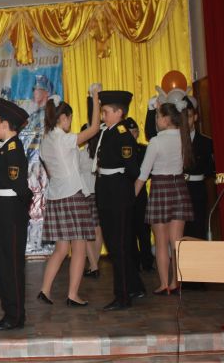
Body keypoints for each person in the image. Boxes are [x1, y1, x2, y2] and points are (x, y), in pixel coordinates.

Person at [37, 87, 100, 307]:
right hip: (73, 194)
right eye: (70, 118)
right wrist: (95, 98)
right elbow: (94, 128)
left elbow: (50, 172)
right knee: (79, 247)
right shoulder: (63, 139)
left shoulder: (45, 141)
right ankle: (73, 294)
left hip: (56, 197)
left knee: (61, 249)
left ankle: (45, 290)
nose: (70, 123)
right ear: (63, 117)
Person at [135, 101, 194, 295]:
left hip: (160, 188)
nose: (156, 120)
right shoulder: (184, 137)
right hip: (179, 188)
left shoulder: (156, 141)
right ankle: (176, 282)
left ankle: (164, 284)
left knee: (161, 241)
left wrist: (131, 196)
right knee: (177, 241)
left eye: (158, 116)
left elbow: (143, 173)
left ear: (167, 119)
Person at [95, 90, 145, 311]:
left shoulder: (123, 134)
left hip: (117, 195)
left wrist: (119, 183)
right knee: (115, 243)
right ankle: (134, 286)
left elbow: (133, 169)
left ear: (118, 112)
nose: (103, 115)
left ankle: (123, 295)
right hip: (107, 192)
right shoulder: (109, 132)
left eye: (106, 112)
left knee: (119, 247)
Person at [0, 98, 33, 330]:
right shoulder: (4, 145)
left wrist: (19, 211)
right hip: (3, 211)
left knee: (11, 265)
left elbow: (20, 187)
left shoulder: (13, 149)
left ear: (5, 125)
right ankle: (10, 312)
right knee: (1, 263)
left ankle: (15, 316)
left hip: (11, 213)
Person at [124, 117, 154, 272]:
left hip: (141, 194)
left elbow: (149, 170)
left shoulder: (143, 149)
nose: (133, 134)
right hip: (125, 193)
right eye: (130, 132)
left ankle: (147, 262)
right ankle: (134, 264)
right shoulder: (121, 150)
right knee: (129, 230)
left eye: (135, 131)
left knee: (144, 230)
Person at [183, 97, 215, 240]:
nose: (186, 121)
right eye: (183, 117)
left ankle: (198, 254)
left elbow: (211, 170)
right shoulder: (174, 140)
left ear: (195, 117)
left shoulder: (206, 142)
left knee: (198, 227)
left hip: (197, 189)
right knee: (181, 231)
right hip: (179, 189)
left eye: (189, 116)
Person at [79, 124, 103, 279]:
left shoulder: (81, 154)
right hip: (100, 194)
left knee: (86, 232)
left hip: (86, 194)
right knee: (98, 230)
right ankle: (95, 264)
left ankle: (93, 266)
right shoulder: (102, 152)